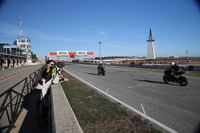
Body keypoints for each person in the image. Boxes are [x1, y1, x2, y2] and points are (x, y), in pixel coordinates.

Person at [35, 60, 69, 127]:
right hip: (41, 89)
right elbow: (55, 82)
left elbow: (52, 76)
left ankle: (40, 118)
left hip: (40, 88)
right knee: (45, 106)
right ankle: (42, 123)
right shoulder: (56, 70)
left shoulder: (54, 69)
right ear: (62, 67)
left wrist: (59, 76)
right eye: (63, 67)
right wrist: (63, 80)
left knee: (43, 105)